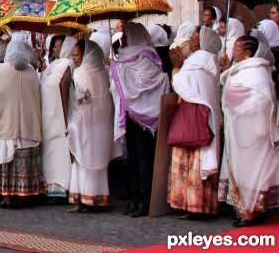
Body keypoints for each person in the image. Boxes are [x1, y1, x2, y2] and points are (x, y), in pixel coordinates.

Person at [110, 22, 170, 217]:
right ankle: (134, 197)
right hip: (130, 114)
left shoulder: (147, 56)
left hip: (145, 115)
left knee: (144, 158)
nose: (123, 39)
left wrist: (119, 69)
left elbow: (145, 82)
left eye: (126, 35)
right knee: (133, 159)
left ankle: (145, 199)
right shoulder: (125, 56)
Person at [219, 36, 279, 227]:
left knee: (254, 171)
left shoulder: (257, 73)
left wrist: (238, 105)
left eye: (236, 50)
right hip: (239, 130)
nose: (233, 52)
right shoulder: (241, 70)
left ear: (247, 53)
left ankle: (253, 211)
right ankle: (245, 210)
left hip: (254, 131)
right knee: (241, 171)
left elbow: (263, 99)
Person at [167, 26, 223, 219]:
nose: (190, 41)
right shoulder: (212, 62)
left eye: (194, 38)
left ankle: (192, 205)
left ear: (202, 43)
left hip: (192, 119)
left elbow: (182, 85)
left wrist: (176, 67)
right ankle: (205, 205)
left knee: (190, 164)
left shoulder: (195, 62)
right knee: (201, 161)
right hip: (207, 120)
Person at [0, 40, 46, 208]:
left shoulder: (1, 70)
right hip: (27, 124)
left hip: (6, 124)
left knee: (7, 160)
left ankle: (8, 195)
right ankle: (24, 194)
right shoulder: (31, 71)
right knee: (24, 159)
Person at [67, 39, 115, 213]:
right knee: (96, 163)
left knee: (83, 162)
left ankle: (83, 198)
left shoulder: (80, 73)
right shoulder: (104, 72)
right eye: (73, 55)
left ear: (86, 55)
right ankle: (96, 198)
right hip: (101, 125)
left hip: (84, 124)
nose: (74, 58)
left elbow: (80, 100)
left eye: (77, 55)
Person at [40, 36, 76, 203]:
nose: (55, 50)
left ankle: (63, 188)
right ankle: (50, 188)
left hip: (61, 117)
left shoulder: (69, 64)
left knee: (61, 153)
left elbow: (66, 89)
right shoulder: (54, 65)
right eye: (54, 47)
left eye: (59, 46)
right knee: (50, 154)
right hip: (48, 117)